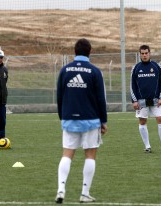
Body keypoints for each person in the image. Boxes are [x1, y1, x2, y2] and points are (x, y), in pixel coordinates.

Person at [55, 38, 107, 204]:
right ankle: (84, 194)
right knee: (90, 155)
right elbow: (101, 99)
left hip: (69, 118)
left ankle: (61, 190)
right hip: (91, 120)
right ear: (90, 52)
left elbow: (59, 96)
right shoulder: (95, 71)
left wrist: (63, 116)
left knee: (67, 153)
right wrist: (103, 121)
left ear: (74, 52)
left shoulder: (65, 70)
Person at [130, 45, 161, 153]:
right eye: (142, 53)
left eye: (146, 53)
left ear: (149, 53)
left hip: (156, 100)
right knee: (142, 122)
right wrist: (134, 100)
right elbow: (132, 85)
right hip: (141, 101)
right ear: (140, 54)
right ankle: (147, 147)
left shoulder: (156, 66)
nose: (144, 55)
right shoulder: (136, 68)